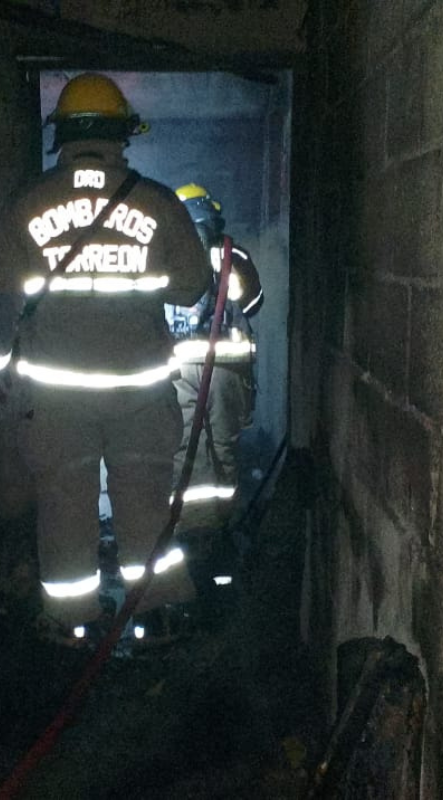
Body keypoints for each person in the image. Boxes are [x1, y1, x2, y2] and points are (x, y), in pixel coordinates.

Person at [0, 74, 211, 645]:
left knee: (65, 508)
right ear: (122, 133)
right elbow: (192, 288)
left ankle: (71, 620)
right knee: (145, 505)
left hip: (57, 401)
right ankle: (156, 614)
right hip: (139, 395)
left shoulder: (27, 204)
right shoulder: (157, 202)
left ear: (64, 135)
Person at [167, 183, 264, 599]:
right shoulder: (231, 254)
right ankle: (221, 529)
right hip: (225, 368)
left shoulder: (164, 252)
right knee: (224, 447)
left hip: (176, 370)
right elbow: (254, 303)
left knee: (182, 448)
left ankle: (186, 531)